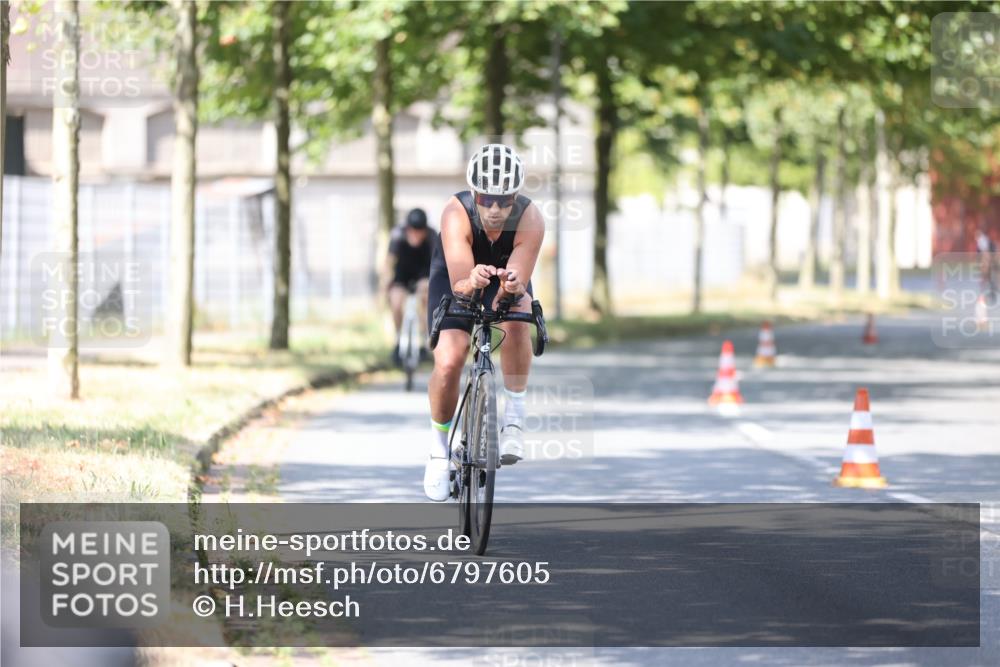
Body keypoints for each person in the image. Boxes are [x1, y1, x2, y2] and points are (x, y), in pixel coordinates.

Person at [423, 143, 545, 501]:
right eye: (486, 199)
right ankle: (438, 450)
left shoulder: (531, 218)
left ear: (515, 197)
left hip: (505, 275)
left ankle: (514, 422)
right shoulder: (455, 212)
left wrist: (509, 288)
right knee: (450, 357)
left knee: (519, 321)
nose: (494, 209)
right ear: (474, 193)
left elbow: (518, 279)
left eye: (504, 201)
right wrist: (472, 282)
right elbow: (462, 284)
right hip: (457, 276)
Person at [384, 208, 437, 364]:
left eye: (419, 231)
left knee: (425, 295)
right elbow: (388, 262)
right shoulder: (397, 235)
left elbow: (438, 264)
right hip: (402, 274)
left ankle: (423, 339)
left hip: (423, 273)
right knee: (396, 301)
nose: (416, 235)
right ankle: (398, 338)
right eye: (412, 231)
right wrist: (385, 284)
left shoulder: (432, 236)